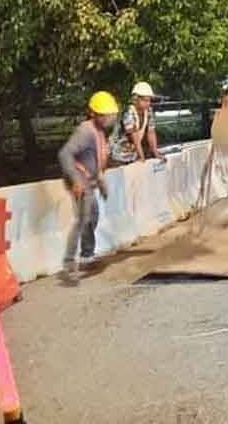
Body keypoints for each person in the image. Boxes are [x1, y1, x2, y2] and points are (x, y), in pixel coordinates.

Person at [58, 91, 120, 284]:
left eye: (110, 115)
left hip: (89, 181)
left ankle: (86, 254)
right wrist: (76, 180)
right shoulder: (85, 131)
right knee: (85, 219)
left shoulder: (99, 132)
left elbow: (97, 161)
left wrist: (101, 182)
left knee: (91, 217)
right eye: (105, 115)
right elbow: (65, 154)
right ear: (93, 114)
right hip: (80, 182)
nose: (109, 119)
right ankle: (77, 259)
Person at [109, 81, 162, 165]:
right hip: (118, 153)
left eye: (149, 100)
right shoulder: (128, 112)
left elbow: (151, 132)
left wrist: (156, 153)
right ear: (135, 99)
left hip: (132, 152)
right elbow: (134, 136)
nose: (147, 103)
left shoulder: (148, 111)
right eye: (144, 100)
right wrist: (141, 156)